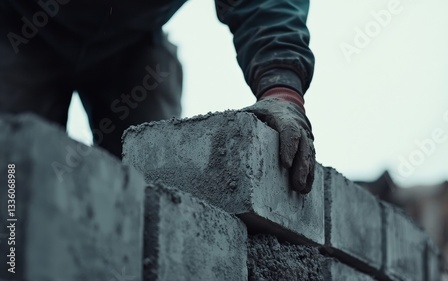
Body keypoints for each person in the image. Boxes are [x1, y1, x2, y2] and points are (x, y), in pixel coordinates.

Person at [0, 0, 316, 193]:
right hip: (21, 27)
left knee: (159, 183)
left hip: (130, 40)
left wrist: (281, 89)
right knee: (11, 188)